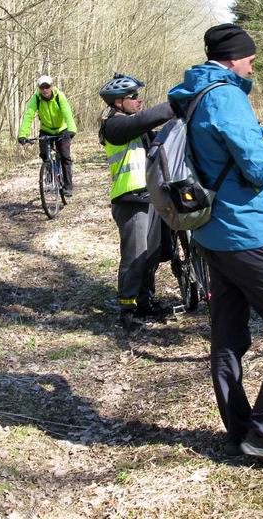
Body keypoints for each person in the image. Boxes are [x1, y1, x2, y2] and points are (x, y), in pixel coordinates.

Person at [168, 24, 263, 465]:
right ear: (234, 58)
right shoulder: (226, 94)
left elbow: (223, 134)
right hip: (248, 235)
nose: (254, 65)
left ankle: (238, 430)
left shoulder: (196, 92)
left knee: (229, 335)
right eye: (251, 59)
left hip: (213, 234)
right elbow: (256, 167)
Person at [98, 73, 175, 332]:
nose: (138, 100)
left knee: (150, 255)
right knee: (134, 257)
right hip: (130, 200)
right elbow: (145, 119)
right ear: (118, 102)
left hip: (149, 197)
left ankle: (145, 303)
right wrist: (174, 105)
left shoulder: (137, 127)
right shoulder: (114, 126)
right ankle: (128, 309)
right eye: (133, 96)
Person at [17, 75, 77, 196]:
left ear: (52, 86)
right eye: (42, 87)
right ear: (39, 88)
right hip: (46, 130)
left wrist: (71, 129)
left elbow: (67, 112)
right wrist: (23, 134)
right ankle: (49, 177)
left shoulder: (59, 96)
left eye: (47, 87)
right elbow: (29, 115)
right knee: (45, 155)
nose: (45, 90)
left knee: (65, 156)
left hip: (62, 129)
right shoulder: (36, 98)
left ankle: (68, 186)